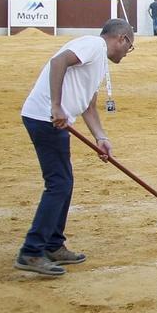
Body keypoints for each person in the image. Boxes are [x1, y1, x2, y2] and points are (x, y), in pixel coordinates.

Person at [16, 18, 135, 276]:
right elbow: (58, 62)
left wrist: (100, 137)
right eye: (130, 47)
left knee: (63, 182)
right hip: (46, 119)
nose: (127, 53)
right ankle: (32, 251)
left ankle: (53, 244)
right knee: (59, 183)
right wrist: (56, 106)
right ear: (122, 39)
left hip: (54, 121)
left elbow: (89, 107)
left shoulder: (100, 63)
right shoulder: (93, 45)